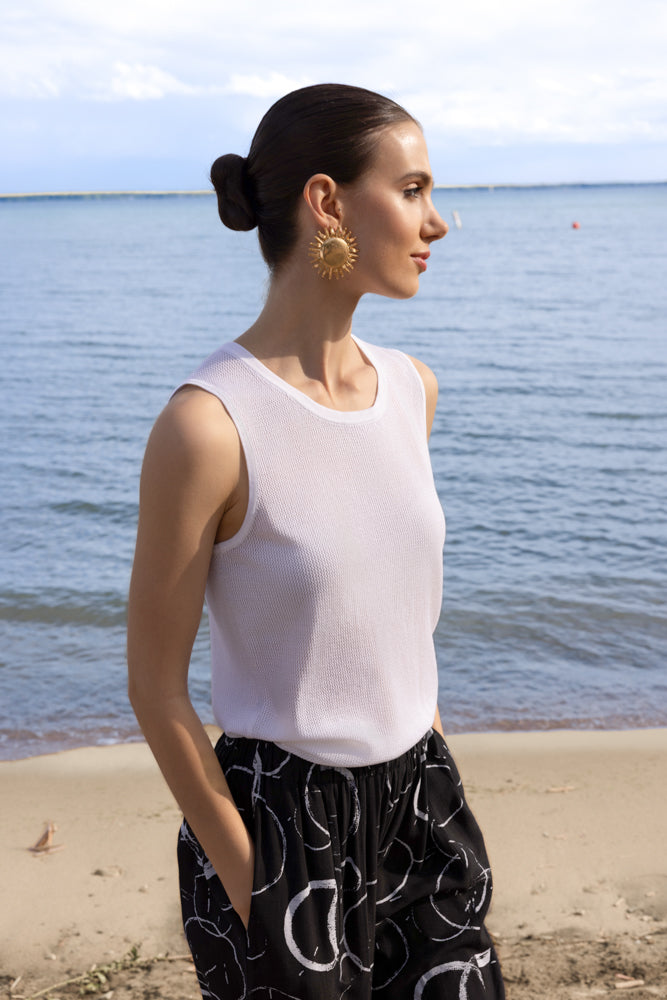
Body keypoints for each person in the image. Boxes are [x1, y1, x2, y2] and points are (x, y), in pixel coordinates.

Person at [127, 83, 505, 1000]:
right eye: (411, 190)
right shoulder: (208, 426)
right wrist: (248, 877)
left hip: (422, 803)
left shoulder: (412, 391)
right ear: (327, 202)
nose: (436, 221)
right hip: (281, 828)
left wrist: (433, 771)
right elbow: (155, 686)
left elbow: (396, 623)